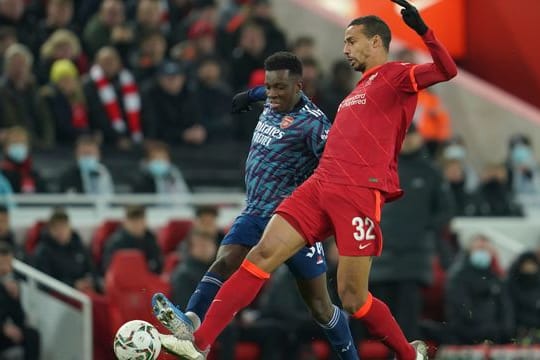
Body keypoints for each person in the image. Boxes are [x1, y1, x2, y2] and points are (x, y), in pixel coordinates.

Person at [156, 1, 457, 359]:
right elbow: (287, 96)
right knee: (262, 253)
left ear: (376, 42)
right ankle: (199, 343)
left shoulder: (396, 76)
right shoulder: (357, 91)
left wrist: (424, 31)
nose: (345, 49)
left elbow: (446, 69)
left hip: (358, 193)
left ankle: (409, 354)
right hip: (319, 185)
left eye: (351, 41)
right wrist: (254, 95)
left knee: (353, 298)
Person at [153, 51, 360, 360]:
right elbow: (266, 91)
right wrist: (249, 95)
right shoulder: (273, 96)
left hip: (292, 222)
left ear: (299, 87)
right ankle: (191, 321)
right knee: (224, 260)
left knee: (320, 307)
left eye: (279, 88)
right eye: (268, 86)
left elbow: (337, 166)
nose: (272, 94)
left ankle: (350, 356)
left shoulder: (314, 125)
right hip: (254, 210)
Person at [369, 124, 454, 340]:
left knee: (407, 322)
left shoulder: (431, 172)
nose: (407, 140)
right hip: (381, 257)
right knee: (381, 323)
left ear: (420, 138)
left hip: (414, 259)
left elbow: (446, 210)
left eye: (411, 135)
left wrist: (422, 227)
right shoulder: (382, 166)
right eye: (403, 135)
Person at [33, 208, 96, 291]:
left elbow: (91, 269)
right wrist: (73, 285)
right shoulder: (43, 251)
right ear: (50, 229)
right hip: (58, 297)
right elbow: (45, 283)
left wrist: (91, 280)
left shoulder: (78, 245)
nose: (61, 231)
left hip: (84, 293)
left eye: (64, 226)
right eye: (57, 228)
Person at [0, 243, 40, 360]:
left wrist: (14, 298)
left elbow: (19, 318)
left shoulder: (11, 284)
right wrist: (3, 327)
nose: (6, 268)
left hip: (6, 331)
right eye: (2, 264)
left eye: (9, 263)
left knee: (32, 335)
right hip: (2, 329)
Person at [101, 205, 162, 274]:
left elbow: (158, 263)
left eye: (139, 220)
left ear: (145, 221)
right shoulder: (116, 242)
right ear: (125, 222)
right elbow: (108, 267)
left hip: (146, 279)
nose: (137, 225)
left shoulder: (150, 239)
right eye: (133, 221)